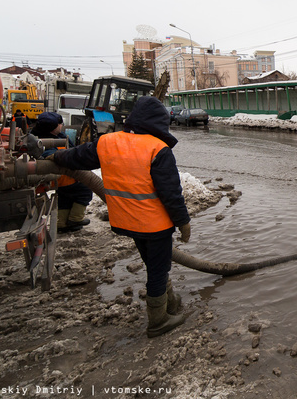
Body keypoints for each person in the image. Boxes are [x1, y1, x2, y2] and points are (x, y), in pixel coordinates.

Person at [50, 96, 191, 338]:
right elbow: (171, 194)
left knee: (154, 264)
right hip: (155, 226)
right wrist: (183, 222)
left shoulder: (107, 142)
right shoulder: (158, 149)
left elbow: (77, 157)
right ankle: (158, 320)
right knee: (158, 269)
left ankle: (171, 302)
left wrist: (54, 156)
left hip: (126, 221)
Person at [32, 112, 94, 232]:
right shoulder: (46, 142)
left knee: (65, 198)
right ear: (52, 127)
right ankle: (75, 219)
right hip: (64, 175)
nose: (62, 126)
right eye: (60, 124)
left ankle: (61, 223)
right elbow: (52, 156)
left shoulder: (56, 136)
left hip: (61, 177)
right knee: (84, 190)